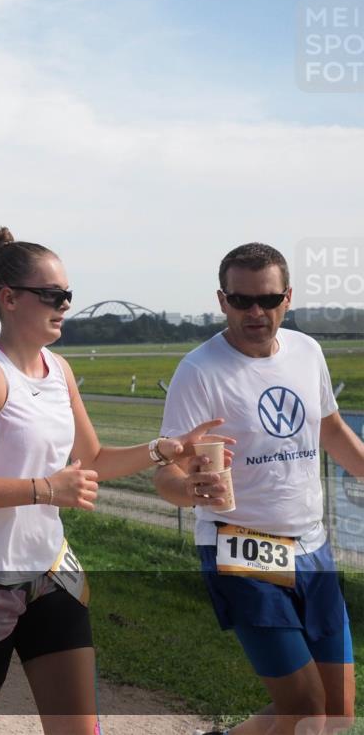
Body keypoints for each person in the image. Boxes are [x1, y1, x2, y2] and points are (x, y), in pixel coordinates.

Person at [0, 227, 231, 735]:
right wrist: (45, 489)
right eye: (54, 295)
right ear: (9, 299)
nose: (65, 304)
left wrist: (163, 449)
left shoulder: (59, 369)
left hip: (49, 573)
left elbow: (93, 459)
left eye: (68, 294)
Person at [155, 243, 363, 735]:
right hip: (242, 544)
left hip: (312, 545)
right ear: (222, 300)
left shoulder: (307, 351)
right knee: (306, 706)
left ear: (287, 298)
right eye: (241, 300)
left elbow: (330, 430)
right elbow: (166, 473)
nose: (255, 312)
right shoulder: (199, 371)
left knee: (336, 714)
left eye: (268, 301)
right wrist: (192, 491)